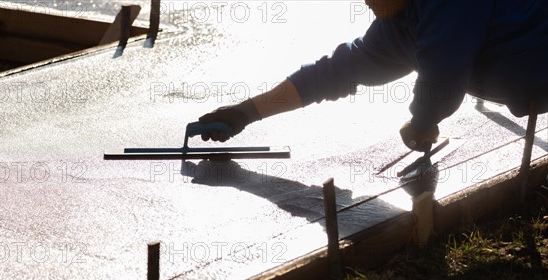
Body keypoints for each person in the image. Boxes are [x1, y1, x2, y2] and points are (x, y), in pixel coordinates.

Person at [196, 0, 548, 152]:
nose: (364, 0)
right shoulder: (399, 25)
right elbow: (335, 72)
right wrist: (246, 111)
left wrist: (422, 121)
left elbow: (444, 74)